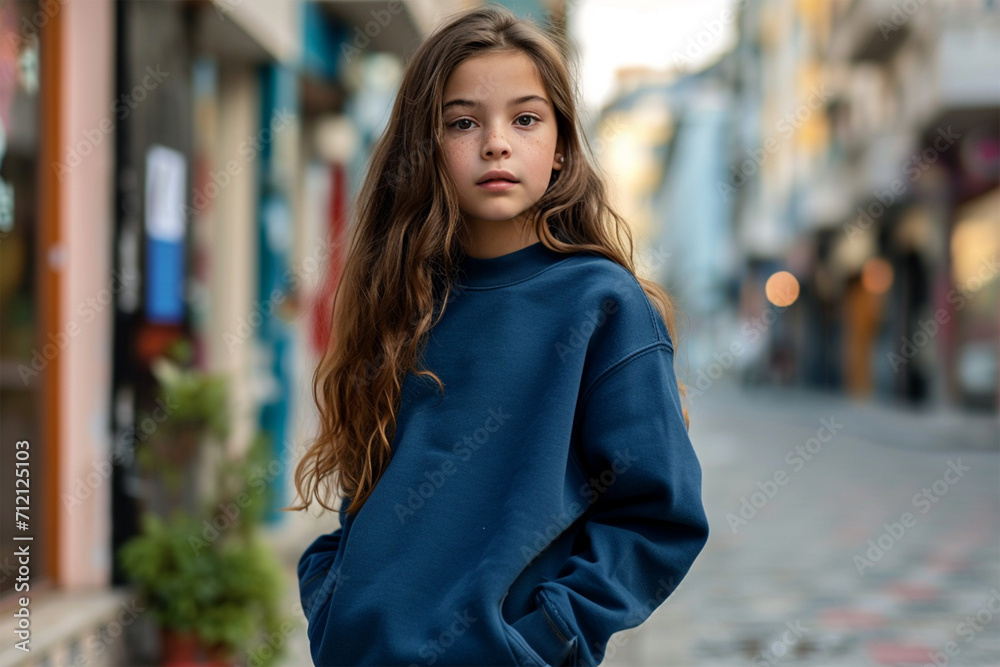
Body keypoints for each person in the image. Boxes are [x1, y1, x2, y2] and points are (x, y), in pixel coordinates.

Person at [290, 5, 709, 665]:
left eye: (525, 118)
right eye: (462, 121)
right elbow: (369, 489)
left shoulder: (602, 305)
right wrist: (332, 597)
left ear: (562, 144)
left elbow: (660, 516)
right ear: (425, 145)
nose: (496, 142)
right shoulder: (402, 297)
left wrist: (542, 638)